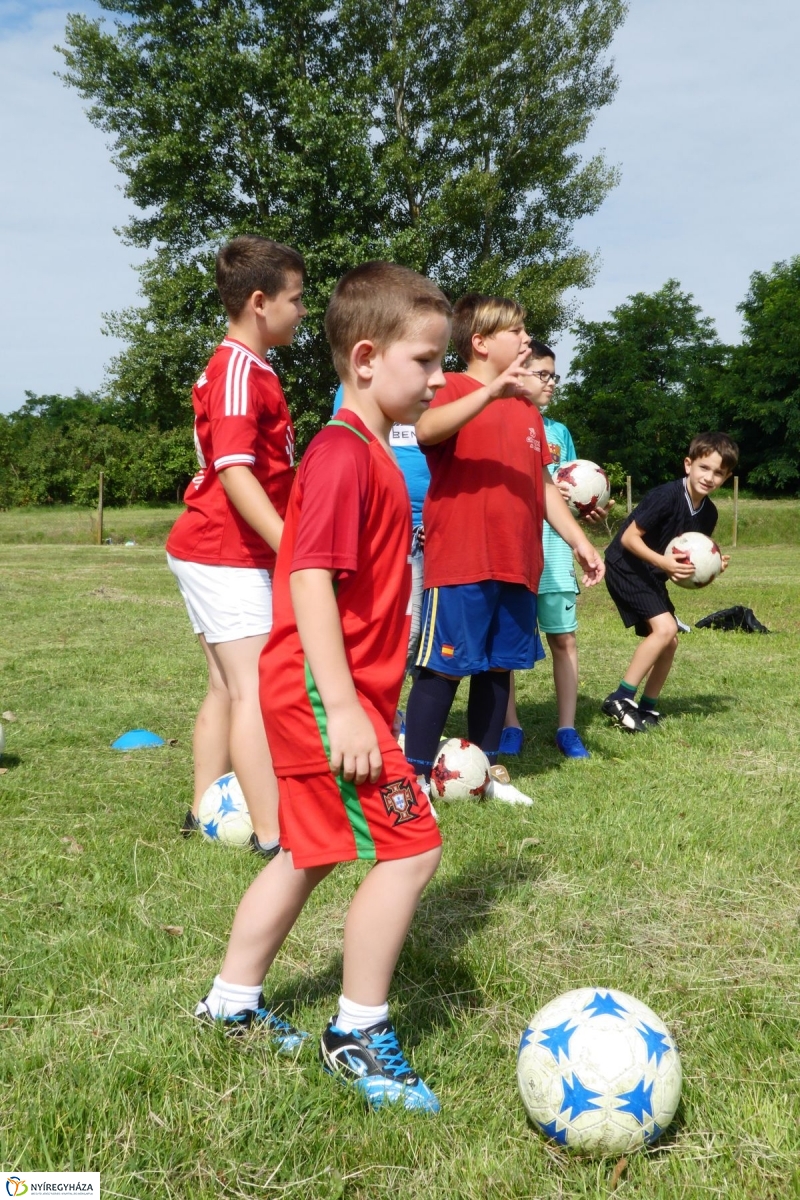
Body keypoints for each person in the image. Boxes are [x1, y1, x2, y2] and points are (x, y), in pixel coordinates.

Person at [194, 261, 450, 1113]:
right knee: (413, 849)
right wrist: (342, 703)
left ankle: (230, 1005)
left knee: (313, 850)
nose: (438, 379)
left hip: (338, 691)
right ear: (368, 357)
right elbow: (306, 578)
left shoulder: (376, 450)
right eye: (426, 362)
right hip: (319, 692)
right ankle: (358, 1032)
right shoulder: (344, 453)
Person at [402, 295, 605, 805]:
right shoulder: (448, 385)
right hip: (462, 559)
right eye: (516, 331)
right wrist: (490, 392)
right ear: (481, 342)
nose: (525, 339)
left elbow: (541, 489)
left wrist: (581, 541)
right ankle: (415, 778)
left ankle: (484, 773)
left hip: (518, 563)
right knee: (443, 666)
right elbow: (426, 430)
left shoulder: (528, 412)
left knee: (497, 667)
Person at [166, 235, 306, 857]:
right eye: (296, 299)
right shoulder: (235, 368)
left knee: (227, 686)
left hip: (224, 549)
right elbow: (235, 470)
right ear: (259, 301)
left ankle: (203, 809)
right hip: (221, 550)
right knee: (253, 688)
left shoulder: (253, 367)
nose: (303, 311)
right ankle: (273, 836)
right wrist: (290, 544)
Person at [501, 341, 613, 760]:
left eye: (554, 376)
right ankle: (510, 724)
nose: (551, 383)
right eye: (543, 374)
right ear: (519, 374)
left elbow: (567, 491)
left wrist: (588, 504)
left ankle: (567, 728)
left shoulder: (559, 432)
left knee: (563, 639)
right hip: (515, 554)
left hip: (555, 559)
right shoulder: (499, 423)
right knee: (509, 645)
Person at [601, 431, 739, 732]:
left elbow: (687, 557)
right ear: (688, 464)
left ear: (726, 478)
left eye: (718, 473)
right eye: (704, 467)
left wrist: (712, 566)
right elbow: (628, 538)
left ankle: (647, 709)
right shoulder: (665, 496)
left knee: (670, 640)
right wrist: (663, 562)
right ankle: (621, 698)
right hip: (625, 565)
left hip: (650, 573)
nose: (709, 477)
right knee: (664, 628)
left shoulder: (709, 514)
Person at [332, 383, 429, 676]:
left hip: (431, 532)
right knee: (403, 633)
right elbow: (350, 450)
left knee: (426, 637)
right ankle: (381, 712)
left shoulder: (430, 389)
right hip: (385, 532)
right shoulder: (355, 389)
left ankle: (394, 714)